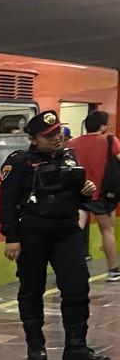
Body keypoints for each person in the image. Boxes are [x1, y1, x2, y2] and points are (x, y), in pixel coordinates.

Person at [1, 110, 110, 360]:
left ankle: (76, 347)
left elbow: (75, 193)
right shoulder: (19, 162)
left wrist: (86, 192)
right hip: (33, 232)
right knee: (31, 289)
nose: (56, 138)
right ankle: (35, 345)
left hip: (67, 231)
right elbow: (7, 202)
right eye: (48, 136)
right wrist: (11, 238)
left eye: (58, 133)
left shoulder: (70, 157)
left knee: (77, 288)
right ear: (34, 139)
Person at [68, 110, 120, 281]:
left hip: (79, 194)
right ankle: (113, 271)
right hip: (103, 195)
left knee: (74, 231)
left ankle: (69, 268)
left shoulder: (72, 143)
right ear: (103, 126)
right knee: (107, 230)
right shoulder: (110, 141)